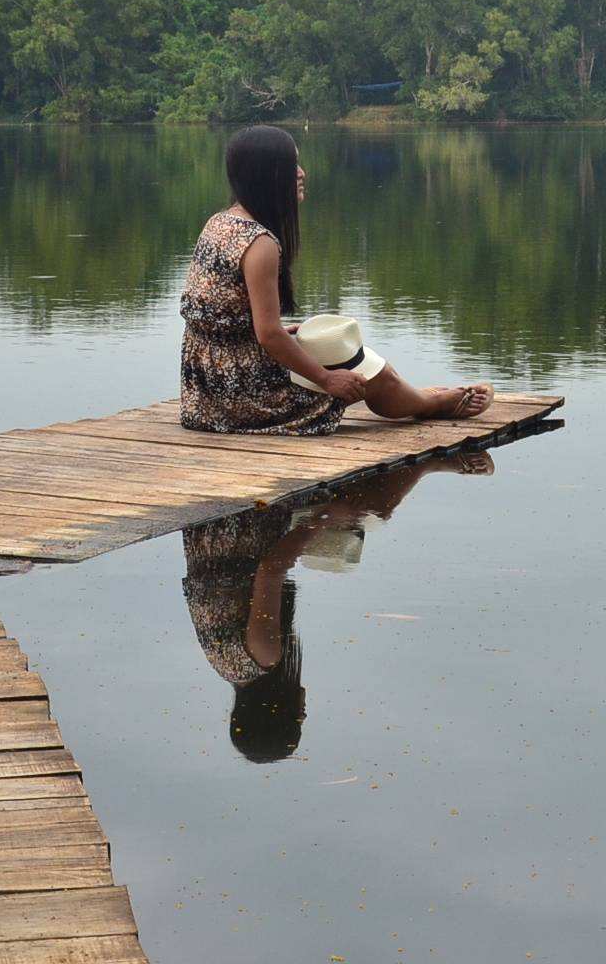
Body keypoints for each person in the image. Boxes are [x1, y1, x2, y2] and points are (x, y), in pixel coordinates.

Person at [180, 452, 495, 761]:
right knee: (346, 519)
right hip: (211, 524)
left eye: (298, 716)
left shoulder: (263, 656)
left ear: (278, 708)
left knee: (371, 510)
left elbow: (272, 568)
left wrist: (326, 517)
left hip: (243, 519)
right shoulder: (223, 666)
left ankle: (429, 461)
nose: (304, 709)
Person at [179, 124, 492, 435]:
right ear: (267, 176)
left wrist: (268, 334)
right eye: (291, 167)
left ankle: (418, 395)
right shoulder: (259, 243)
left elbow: (223, 314)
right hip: (239, 398)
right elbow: (269, 336)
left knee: (351, 354)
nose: (301, 173)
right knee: (370, 375)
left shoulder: (222, 221)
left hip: (205, 388)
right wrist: (326, 380)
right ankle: (430, 404)